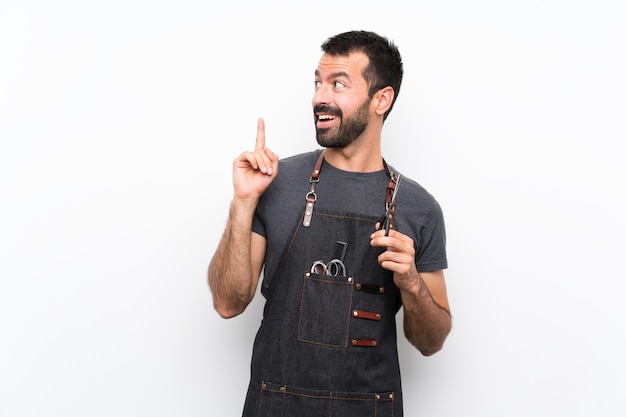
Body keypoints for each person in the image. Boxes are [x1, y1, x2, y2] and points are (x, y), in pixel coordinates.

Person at [208, 30, 451, 417]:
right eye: (318, 83)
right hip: (277, 404)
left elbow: (431, 341)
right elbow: (227, 303)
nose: (321, 97)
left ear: (381, 99)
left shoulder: (418, 208)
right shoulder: (275, 183)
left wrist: (411, 283)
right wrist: (242, 203)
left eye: (338, 84)